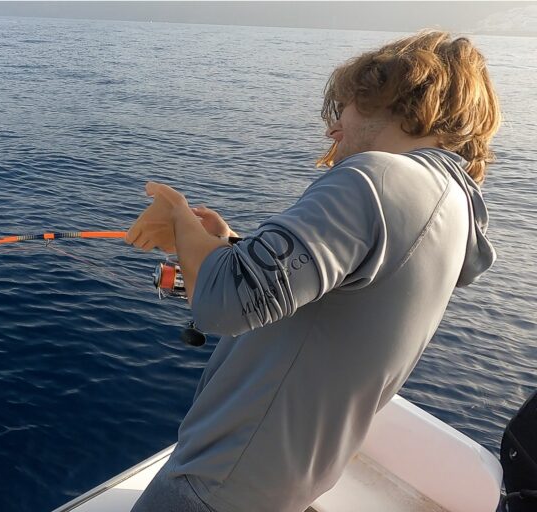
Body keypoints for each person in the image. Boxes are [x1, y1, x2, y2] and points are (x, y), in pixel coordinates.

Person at [125, 30, 501, 512]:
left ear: (396, 101)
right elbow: (342, 293)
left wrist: (178, 218)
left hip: (217, 486)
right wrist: (229, 246)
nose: (333, 128)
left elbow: (222, 302)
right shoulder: (450, 204)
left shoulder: (376, 179)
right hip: (286, 485)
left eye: (346, 106)